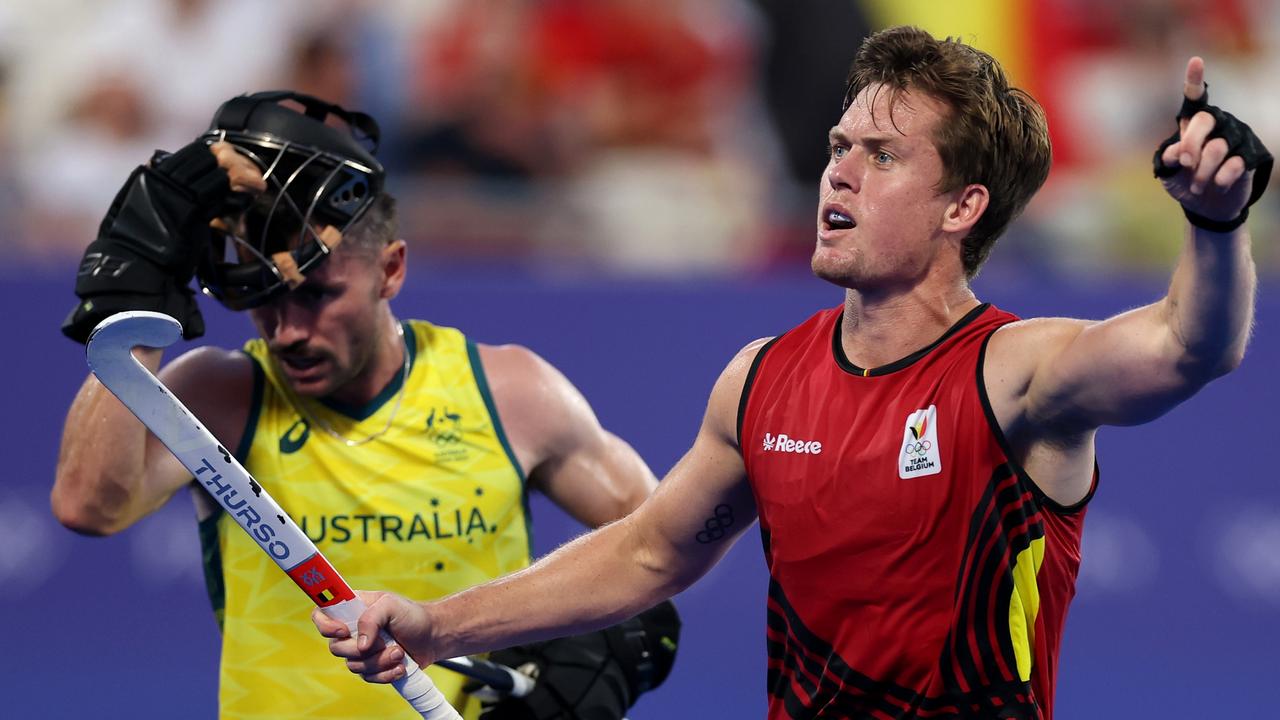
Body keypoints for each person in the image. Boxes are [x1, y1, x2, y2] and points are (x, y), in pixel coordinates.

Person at [314, 26, 1273, 720]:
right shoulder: (763, 377)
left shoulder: (1016, 373)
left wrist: (1216, 223)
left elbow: (1192, 345)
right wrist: (438, 628)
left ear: (961, 207)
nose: (839, 174)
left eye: (883, 156)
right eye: (838, 148)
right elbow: (651, 551)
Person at [51, 90, 674, 719]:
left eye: (317, 294)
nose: (288, 330)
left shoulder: (512, 392)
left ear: (391, 270)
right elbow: (88, 506)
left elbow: (660, 542)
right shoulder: (219, 396)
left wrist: (605, 653)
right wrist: (136, 300)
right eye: (265, 298)